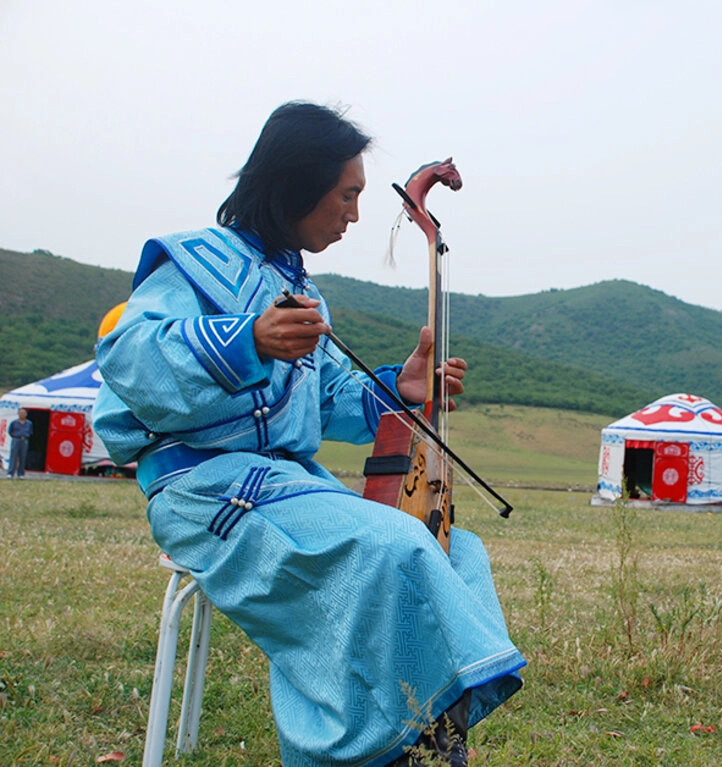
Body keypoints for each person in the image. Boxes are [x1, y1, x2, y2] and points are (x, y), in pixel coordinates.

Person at [93, 102, 524, 766]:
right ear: (297, 182)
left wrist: (399, 387)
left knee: (451, 549)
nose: (354, 212)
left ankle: (424, 727)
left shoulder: (301, 289)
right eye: (347, 193)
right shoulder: (197, 263)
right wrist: (247, 338)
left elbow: (322, 401)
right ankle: (384, 743)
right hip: (204, 486)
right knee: (394, 547)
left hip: (287, 484)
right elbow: (128, 356)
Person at [7, 408, 32, 477]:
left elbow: (30, 432)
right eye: (20, 413)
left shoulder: (29, 423)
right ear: (18, 414)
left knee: (23, 457)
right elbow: (10, 431)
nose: (22, 414)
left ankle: (21, 473)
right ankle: (10, 473)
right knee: (13, 456)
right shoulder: (14, 422)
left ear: (26, 414)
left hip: (24, 440)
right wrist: (15, 436)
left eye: (23, 413)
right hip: (16, 439)